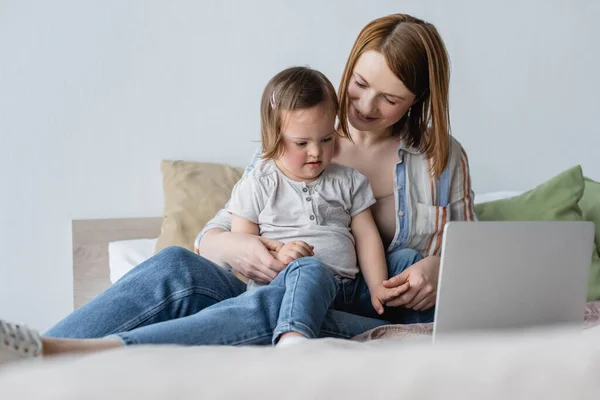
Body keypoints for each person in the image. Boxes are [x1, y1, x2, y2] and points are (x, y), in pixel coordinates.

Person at [0, 13, 475, 364]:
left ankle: (78, 353)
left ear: (419, 100)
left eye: (390, 98)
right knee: (174, 265)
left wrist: (440, 267)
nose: (366, 106)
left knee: (291, 293)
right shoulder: (291, 133)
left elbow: (479, 259)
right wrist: (244, 246)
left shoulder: (441, 157)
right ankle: (25, 352)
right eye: (358, 84)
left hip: (365, 308)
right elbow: (215, 234)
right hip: (276, 278)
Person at [228, 66, 410, 346]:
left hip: (347, 291)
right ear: (273, 136)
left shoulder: (348, 180)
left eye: (326, 139)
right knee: (309, 269)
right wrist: (279, 258)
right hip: (289, 290)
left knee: (408, 259)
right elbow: (243, 250)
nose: (316, 151)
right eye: (302, 142)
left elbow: (366, 236)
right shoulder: (259, 184)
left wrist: (376, 287)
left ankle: (396, 327)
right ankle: (294, 338)